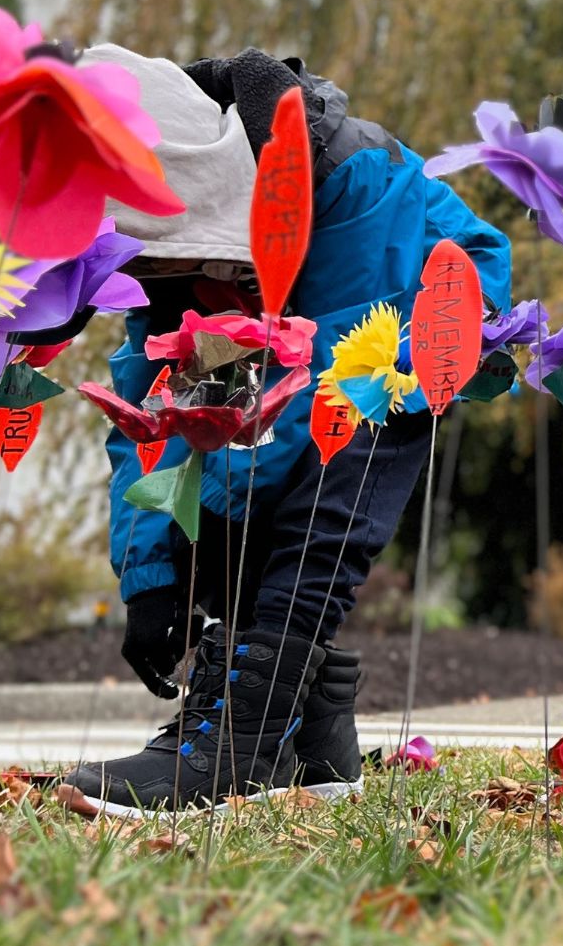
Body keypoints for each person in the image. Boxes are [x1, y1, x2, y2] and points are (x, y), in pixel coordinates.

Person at [57, 47, 511, 818]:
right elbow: (145, 414)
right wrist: (151, 578)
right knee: (203, 475)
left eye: (187, 266)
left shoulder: (344, 184)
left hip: (413, 324)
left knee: (322, 491)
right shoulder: (173, 247)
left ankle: (236, 743)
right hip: (312, 335)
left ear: (221, 209)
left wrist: (210, 568)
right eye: (162, 276)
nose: (184, 293)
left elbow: (286, 421)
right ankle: (315, 743)